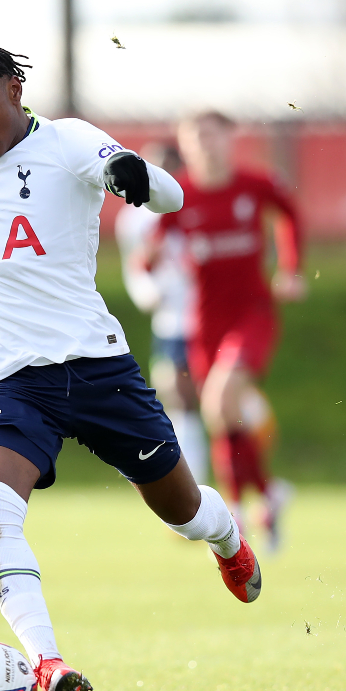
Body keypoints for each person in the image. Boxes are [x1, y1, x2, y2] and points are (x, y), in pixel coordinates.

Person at [0, 42, 262, 691]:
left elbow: (169, 194)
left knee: (183, 511)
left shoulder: (71, 143)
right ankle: (46, 662)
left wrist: (136, 173)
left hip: (98, 368)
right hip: (11, 382)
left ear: (16, 89)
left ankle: (228, 540)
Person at [139, 110, 305, 549]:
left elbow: (290, 214)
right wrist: (150, 262)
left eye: (212, 134)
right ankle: (266, 497)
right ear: (185, 145)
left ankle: (234, 513)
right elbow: (149, 250)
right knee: (220, 416)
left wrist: (291, 269)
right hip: (203, 324)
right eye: (195, 137)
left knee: (218, 400)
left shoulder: (256, 185)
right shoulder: (181, 196)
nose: (205, 144)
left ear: (230, 137)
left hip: (252, 315)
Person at [114, 142, 208, 481]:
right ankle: (195, 481)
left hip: (208, 311)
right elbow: (135, 266)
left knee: (218, 398)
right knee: (175, 393)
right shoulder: (134, 218)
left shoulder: (196, 204)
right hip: (171, 317)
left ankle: (250, 472)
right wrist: (147, 292)